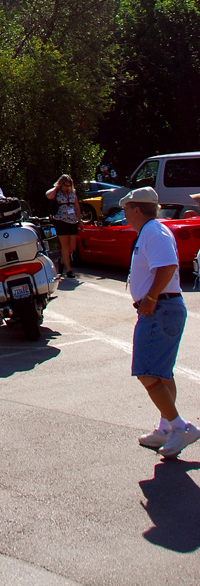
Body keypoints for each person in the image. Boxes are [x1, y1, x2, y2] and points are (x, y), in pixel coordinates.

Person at [123, 186, 198, 458]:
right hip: (163, 308)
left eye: (127, 208)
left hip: (160, 309)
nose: (124, 212)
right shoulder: (151, 231)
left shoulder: (153, 232)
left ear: (137, 209)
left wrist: (151, 298)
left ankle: (179, 426)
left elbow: (167, 266)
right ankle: (166, 427)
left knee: (146, 370)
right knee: (162, 372)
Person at [45, 174, 81, 277]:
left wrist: (80, 220)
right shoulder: (56, 193)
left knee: (72, 247)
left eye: (69, 185)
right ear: (61, 184)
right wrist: (56, 187)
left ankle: (62, 261)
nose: (67, 187)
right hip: (60, 220)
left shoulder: (73, 193)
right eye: (65, 185)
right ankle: (69, 270)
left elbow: (77, 207)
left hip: (72, 220)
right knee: (65, 246)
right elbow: (48, 195)